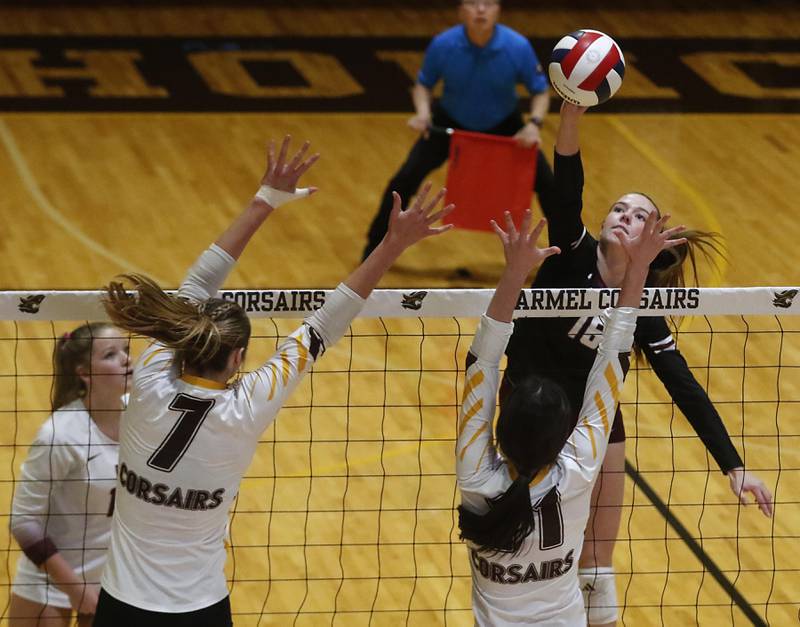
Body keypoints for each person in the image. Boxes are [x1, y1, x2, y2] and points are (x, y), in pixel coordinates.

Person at [92, 136, 453, 627]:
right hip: (198, 608)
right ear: (239, 358)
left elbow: (196, 286)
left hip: (121, 605)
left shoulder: (151, 377)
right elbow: (326, 321)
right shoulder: (246, 405)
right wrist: (392, 245)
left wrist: (265, 199)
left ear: (185, 339)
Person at [502, 103, 774, 626]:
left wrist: (733, 466)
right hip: (531, 410)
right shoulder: (571, 251)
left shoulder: (643, 304)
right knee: (531, 550)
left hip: (595, 419)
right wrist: (571, 110)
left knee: (598, 568)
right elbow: (568, 175)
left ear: (652, 238)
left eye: (639, 215)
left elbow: (684, 385)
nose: (625, 217)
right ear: (601, 223)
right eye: (619, 210)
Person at [456, 206, 685, 625]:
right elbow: (613, 357)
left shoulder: (478, 477)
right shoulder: (579, 469)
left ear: (502, 433)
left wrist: (514, 274)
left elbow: (482, 363)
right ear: (563, 432)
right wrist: (638, 272)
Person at [361, 0, 552, 261]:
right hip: (450, 122)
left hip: (505, 124)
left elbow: (540, 91)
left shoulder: (517, 46)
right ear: (461, 10)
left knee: (550, 187)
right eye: (473, 4)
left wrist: (534, 124)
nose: (481, 10)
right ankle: (373, 250)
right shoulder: (443, 44)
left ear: (498, 9)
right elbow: (423, 86)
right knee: (403, 181)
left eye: (488, 4)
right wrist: (423, 113)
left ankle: (568, 256)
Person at [9, 323, 131, 626]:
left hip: (112, 584)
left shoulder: (141, 420)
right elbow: (23, 522)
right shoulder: (60, 434)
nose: (127, 359)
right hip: (50, 584)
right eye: (111, 354)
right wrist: (75, 589)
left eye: (127, 350)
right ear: (84, 373)